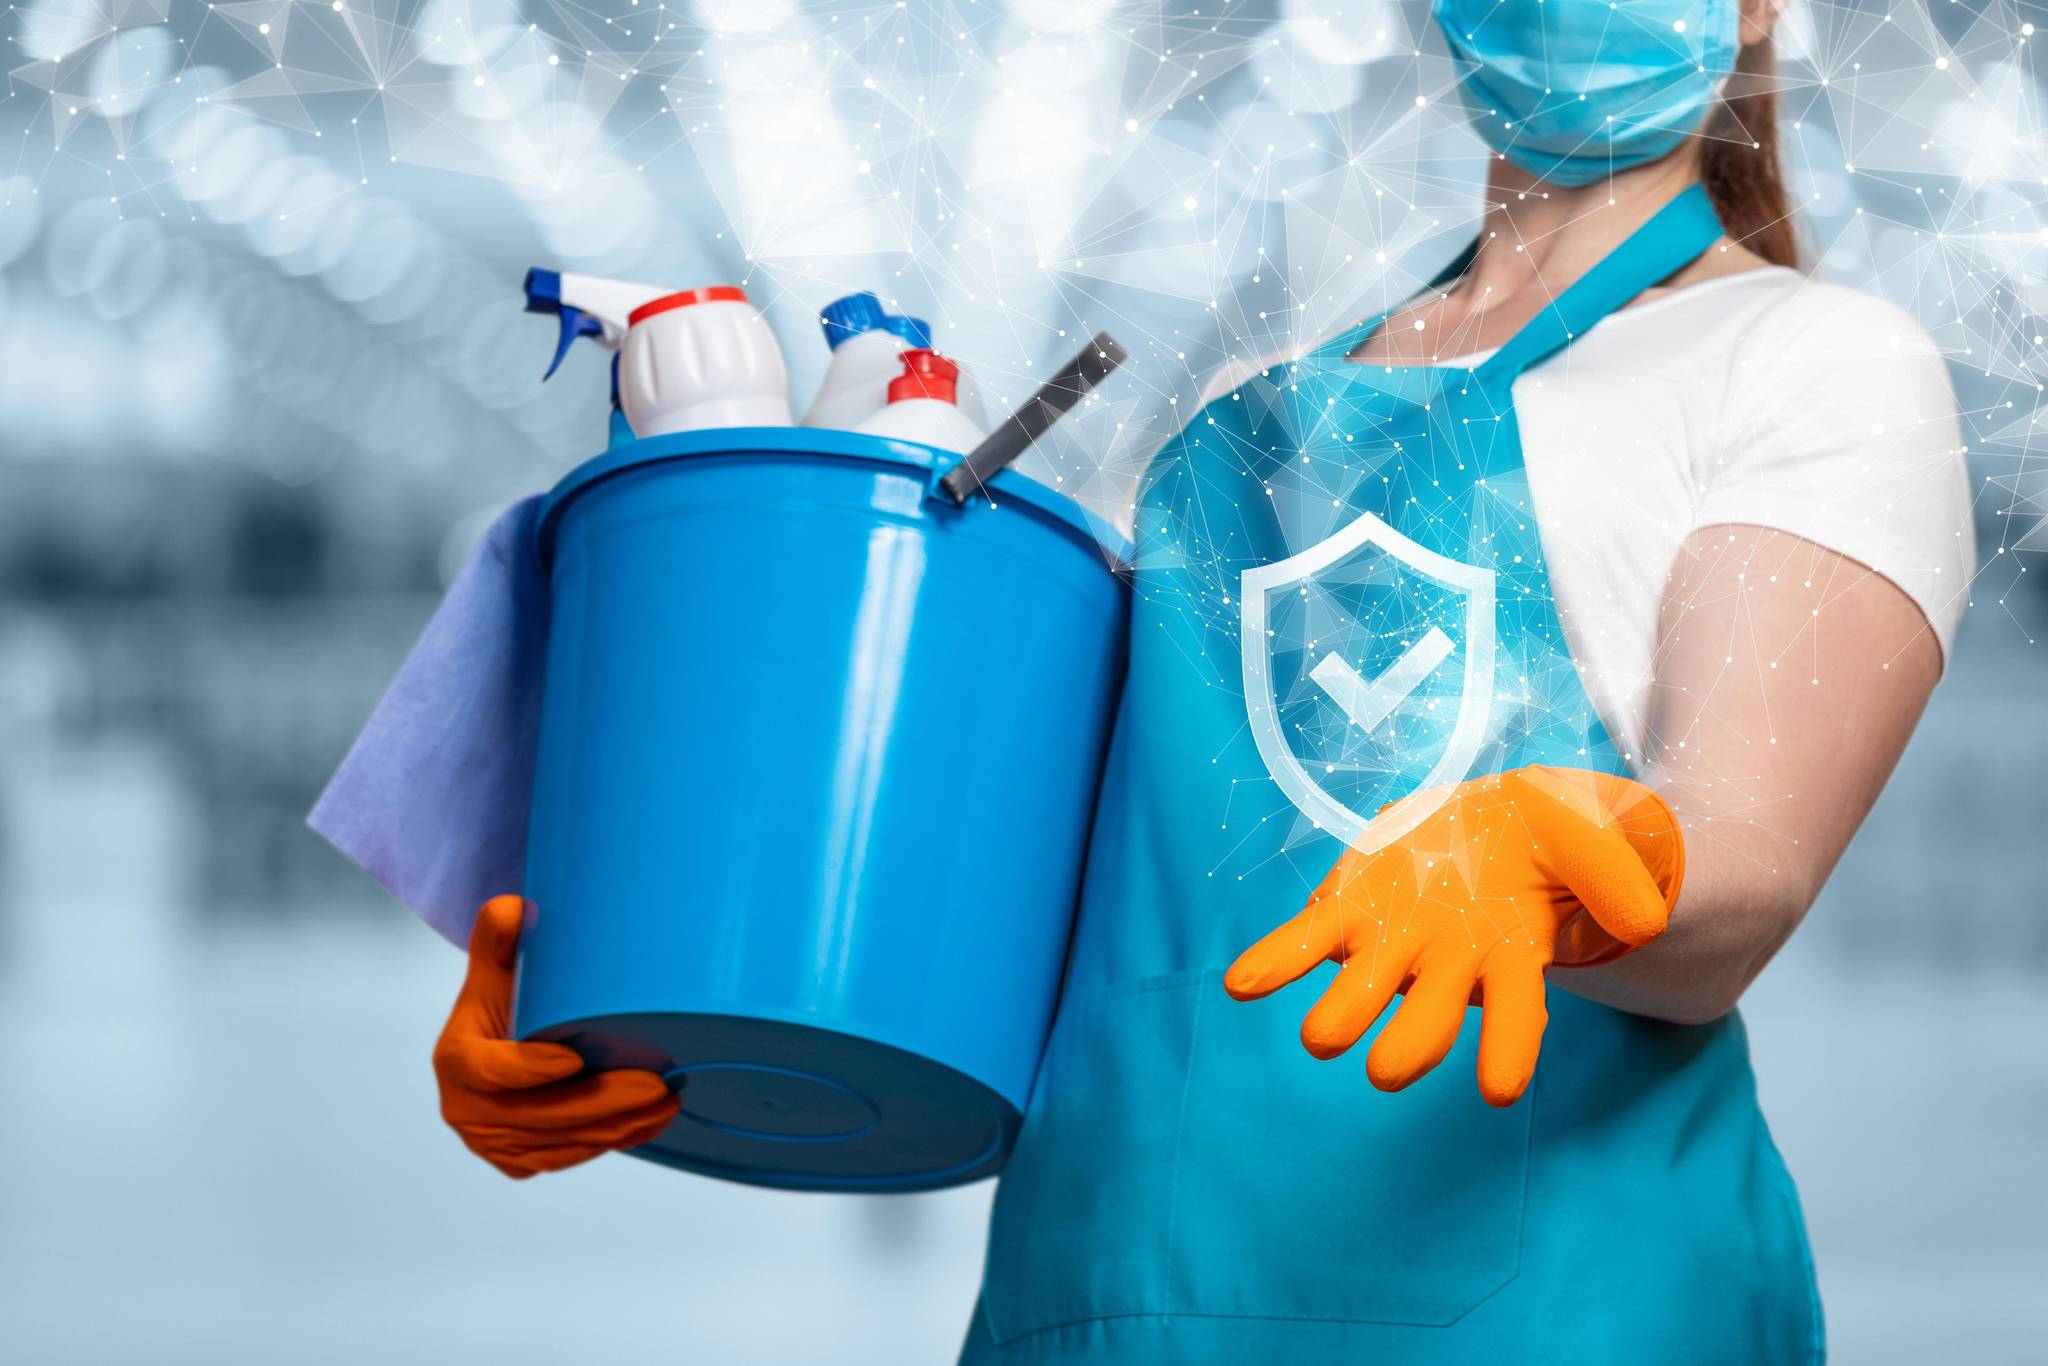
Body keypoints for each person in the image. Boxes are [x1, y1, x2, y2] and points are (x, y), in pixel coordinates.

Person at [429, 0, 1973, 1360]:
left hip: (1549, 1317)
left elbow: (1744, 862)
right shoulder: (1234, 430)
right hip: (1086, 1309)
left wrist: (1572, 861)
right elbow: (1038, 931)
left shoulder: (1813, 357)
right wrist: (636, 984)